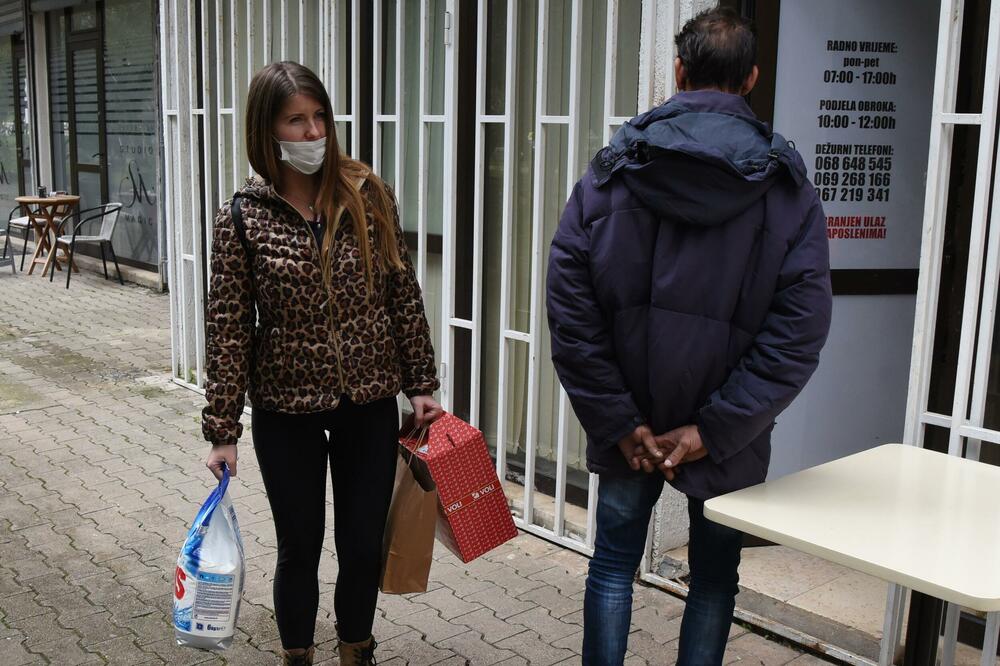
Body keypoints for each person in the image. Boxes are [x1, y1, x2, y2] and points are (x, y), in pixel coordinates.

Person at [546, 8, 833, 666]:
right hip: (725, 440)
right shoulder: (786, 189)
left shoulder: (614, 169)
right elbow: (801, 327)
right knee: (712, 580)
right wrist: (715, 430)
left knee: (613, 566)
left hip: (631, 427)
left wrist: (618, 419)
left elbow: (570, 304)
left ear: (678, 71)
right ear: (752, 79)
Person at [201, 61, 442, 666]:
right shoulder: (243, 218)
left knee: (362, 544)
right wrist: (222, 429)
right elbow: (227, 328)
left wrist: (421, 384)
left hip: (367, 401)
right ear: (268, 130)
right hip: (286, 410)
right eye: (296, 121)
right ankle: (298, 655)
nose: (313, 134)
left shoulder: (366, 194)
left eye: (320, 119)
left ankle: (356, 649)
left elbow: (401, 290)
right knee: (299, 546)